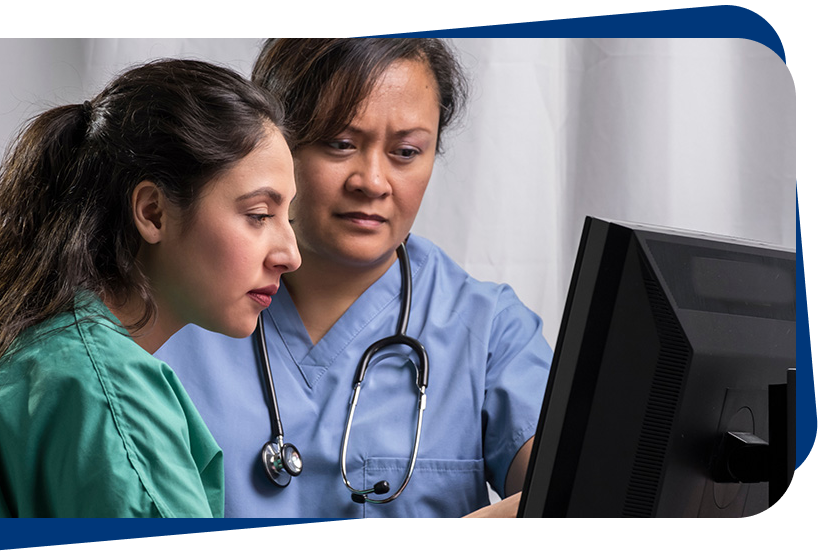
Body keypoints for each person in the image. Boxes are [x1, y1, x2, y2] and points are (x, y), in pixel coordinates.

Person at [154, 39, 552, 518]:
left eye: (406, 151)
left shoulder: (487, 330)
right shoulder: (173, 310)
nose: (372, 181)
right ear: (275, 142)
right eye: (340, 144)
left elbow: (582, 496)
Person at [0, 58, 301, 518]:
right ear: (152, 213)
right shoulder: (106, 395)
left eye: (290, 218)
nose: (290, 254)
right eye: (259, 216)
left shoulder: (52, 360)